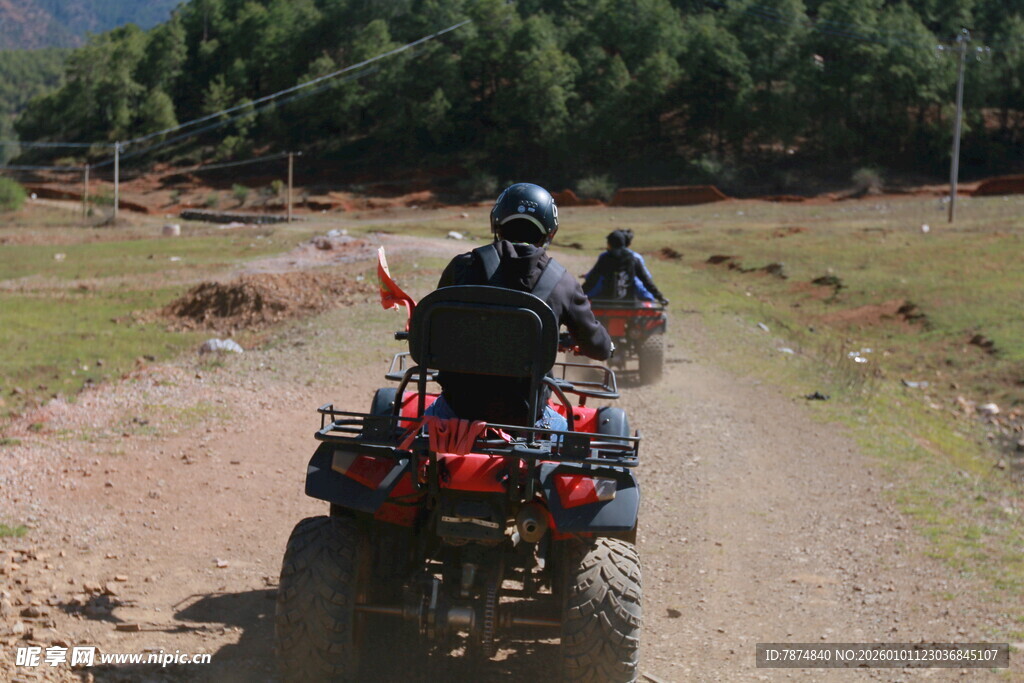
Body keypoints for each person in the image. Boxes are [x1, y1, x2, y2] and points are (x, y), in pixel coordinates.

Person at [425, 183, 612, 431]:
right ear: (550, 232)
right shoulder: (562, 282)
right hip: (526, 417)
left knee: (411, 434)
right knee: (566, 453)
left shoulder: (462, 266)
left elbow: (436, 328)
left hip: (457, 409)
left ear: (496, 223)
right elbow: (598, 347)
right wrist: (605, 345)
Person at [582, 229, 668, 304]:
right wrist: (659, 297)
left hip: (605, 300)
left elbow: (592, 280)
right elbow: (645, 280)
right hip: (629, 302)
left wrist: (579, 294)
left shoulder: (605, 258)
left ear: (610, 244)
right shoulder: (633, 259)